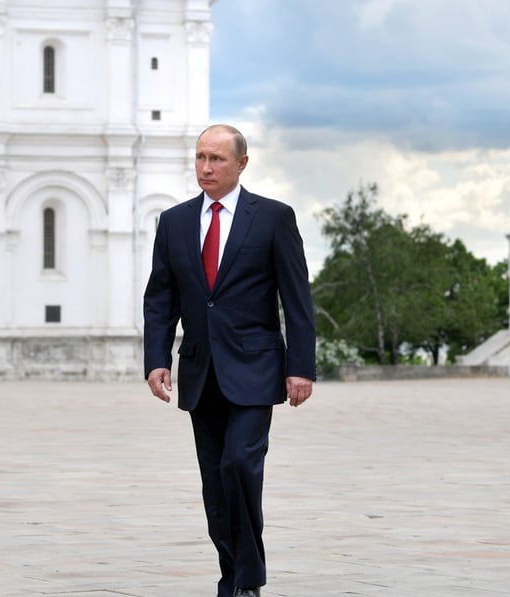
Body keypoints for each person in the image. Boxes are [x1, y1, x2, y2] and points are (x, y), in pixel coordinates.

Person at [143, 124, 316, 597]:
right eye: (200, 157)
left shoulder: (274, 218)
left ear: (241, 163)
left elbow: (297, 298)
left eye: (217, 159)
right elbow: (161, 297)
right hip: (201, 371)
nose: (206, 168)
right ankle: (233, 576)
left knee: (241, 464)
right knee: (215, 481)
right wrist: (157, 358)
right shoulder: (174, 222)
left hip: (256, 368)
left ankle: (246, 578)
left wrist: (301, 365)